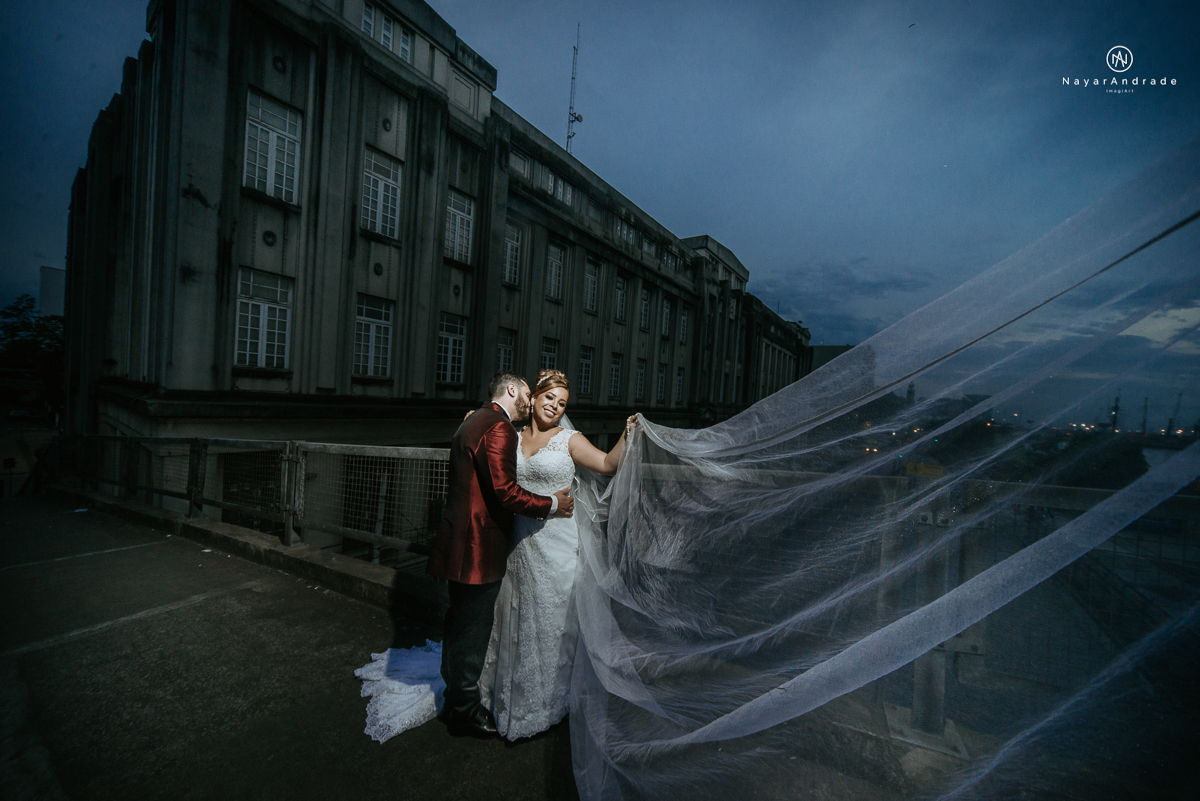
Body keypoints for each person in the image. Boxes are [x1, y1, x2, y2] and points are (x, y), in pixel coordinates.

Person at [478, 368, 637, 740]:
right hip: (519, 542)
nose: (555, 406)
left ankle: (546, 701)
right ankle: (506, 696)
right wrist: (473, 417)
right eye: (550, 398)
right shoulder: (510, 435)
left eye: (562, 402)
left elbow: (607, 465)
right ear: (533, 397)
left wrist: (627, 434)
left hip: (558, 544)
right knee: (514, 615)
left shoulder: (569, 439)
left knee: (553, 620)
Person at [425, 371, 575, 738]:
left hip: (459, 540)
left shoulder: (474, 420)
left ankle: (453, 698)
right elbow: (506, 492)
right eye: (527, 393)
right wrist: (553, 503)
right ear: (512, 390)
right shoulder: (500, 427)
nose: (530, 401)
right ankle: (463, 711)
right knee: (473, 631)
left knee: (459, 622)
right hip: (478, 546)